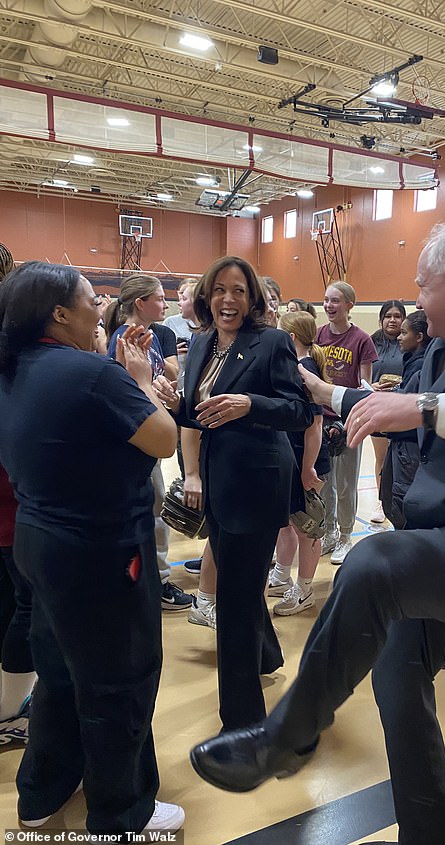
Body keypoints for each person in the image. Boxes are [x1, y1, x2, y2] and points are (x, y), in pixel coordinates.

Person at [188, 220, 445, 845]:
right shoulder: (442, 348)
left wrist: (424, 406)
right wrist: (330, 393)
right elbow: (406, 415)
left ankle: (285, 737)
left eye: (422, 283)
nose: (416, 296)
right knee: (397, 672)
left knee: (372, 563)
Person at [0, 262, 183, 833]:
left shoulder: (13, 367)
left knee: (57, 672)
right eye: (91, 300)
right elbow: (163, 437)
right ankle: (122, 812)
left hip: (37, 540)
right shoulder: (87, 373)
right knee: (119, 680)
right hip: (98, 550)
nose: (101, 308)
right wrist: (135, 379)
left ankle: (41, 794)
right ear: (60, 314)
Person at [154, 256, 312, 730]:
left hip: (258, 485)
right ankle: (265, 655)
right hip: (219, 484)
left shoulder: (273, 343)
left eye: (239, 291)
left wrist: (251, 404)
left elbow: (299, 411)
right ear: (206, 296)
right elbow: (199, 415)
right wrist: (170, 400)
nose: (229, 299)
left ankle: (241, 721)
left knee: (236, 600)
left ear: (252, 299)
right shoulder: (200, 344)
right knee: (239, 585)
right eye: (220, 289)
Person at [104, 275, 193, 612]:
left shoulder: (149, 337)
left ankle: (151, 578)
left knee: (153, 509)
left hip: (148, 433)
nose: (164, 303)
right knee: (152, 510)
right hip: (138, 441)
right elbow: (126, 395)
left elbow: (154, 382)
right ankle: (158, 583)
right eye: (158, 297)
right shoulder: (125, 340)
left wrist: (163, 394)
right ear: (139, 303)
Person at [269, 310, 331, 615]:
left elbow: (315, 425)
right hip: (291, 458)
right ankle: (281, 575)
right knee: (287, 524)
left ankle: (305, 589)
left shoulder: (305, 370)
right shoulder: (295, 365)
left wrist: (308, 468)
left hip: (307, 461)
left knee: (308, 528)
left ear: (290, 338)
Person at [0, 242, 36, 746]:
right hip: (16, 501)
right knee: (29, 606)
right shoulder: (15, 349)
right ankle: (9, 710)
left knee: (11, 600)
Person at [317, 281, 377, 563]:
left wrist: (348, 419)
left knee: (345, 484)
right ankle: (328, 532)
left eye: (336, 301)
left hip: (348, 420)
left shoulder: (362, 339)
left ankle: (345, 536)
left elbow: (364, 386)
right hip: (321, 420)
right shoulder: (318, 335)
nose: (329, 306)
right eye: (326, 300)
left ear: (349, 305)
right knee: (325, 482)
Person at [378, 310, 430, 529]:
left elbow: (414, 412)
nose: (399, 337)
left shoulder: (422, 366)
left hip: (409, 448)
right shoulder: (412, 362)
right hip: (400, 445)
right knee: (389, 499)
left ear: (419, 337)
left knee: (402, 504)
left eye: (404, 332)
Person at [369, 300, 407, 523]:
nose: (392, 320)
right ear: (382, 319)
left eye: (397, 316)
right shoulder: (372, 341)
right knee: (381, 458)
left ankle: (401, 500)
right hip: (378, 407)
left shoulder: (409, 340)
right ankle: (382, 501)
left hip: (402, 408)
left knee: (401, 455)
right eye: (388, 316)